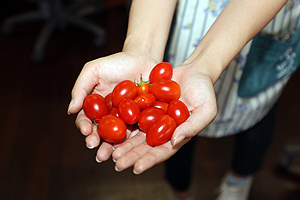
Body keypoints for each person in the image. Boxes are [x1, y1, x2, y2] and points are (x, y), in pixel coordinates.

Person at [67, 0, 300, 199]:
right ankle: (180, 192)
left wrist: (206, 63)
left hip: (262, 21)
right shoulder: (154, 92)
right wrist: (142, 48)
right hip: (183, 31)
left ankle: (236, 185)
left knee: (256, 121)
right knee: (180, 136)